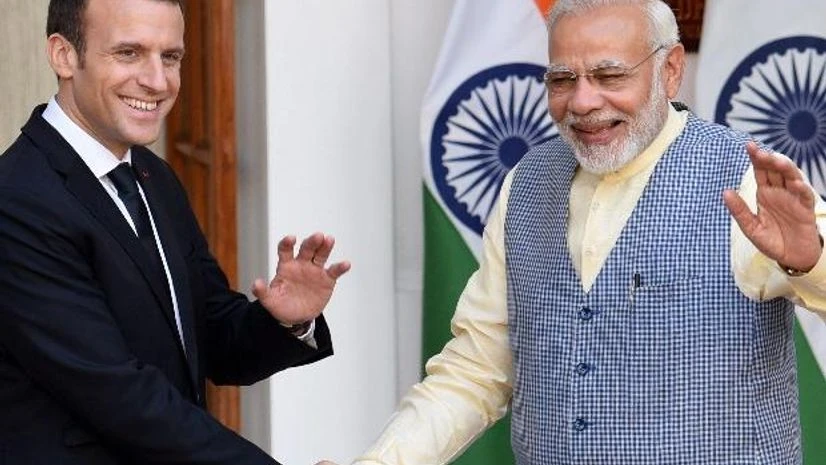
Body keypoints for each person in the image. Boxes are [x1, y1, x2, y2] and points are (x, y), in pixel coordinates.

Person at [319, 0, 826, 464]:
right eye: (562, 79)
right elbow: (476, 370)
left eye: (609, 75)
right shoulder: (525, 181)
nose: (582, 102)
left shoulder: (747, 175)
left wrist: (809, 260)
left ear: (669, 71)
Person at [0, 0, 350, 463]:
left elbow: (212, 341)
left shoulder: (152, 176)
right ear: (64, 55)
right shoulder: (18, 200)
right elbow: (120, 398)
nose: (158, 81)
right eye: (128, 53)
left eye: (171, 57)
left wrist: (286, 321)